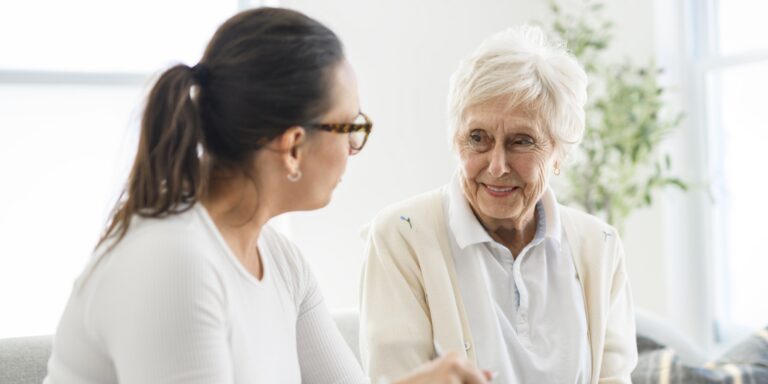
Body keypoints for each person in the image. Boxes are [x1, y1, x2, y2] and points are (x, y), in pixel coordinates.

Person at [43, 7, 491, 384]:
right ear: (294, 145)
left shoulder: (280, 261)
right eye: (350, 127)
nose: (355, 147)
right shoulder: (173, 261)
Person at [359, 25, 638, 384]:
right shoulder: (402, 235)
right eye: (478, 138)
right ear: (455, 140)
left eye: (521, 141)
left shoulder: (599, 245)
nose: (497, 166)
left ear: (559, 153)